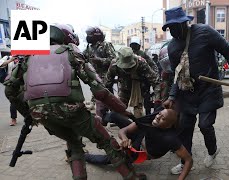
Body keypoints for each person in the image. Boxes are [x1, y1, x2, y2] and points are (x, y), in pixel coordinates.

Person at [4, 24, 146, 180]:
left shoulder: (29, 56)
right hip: (73, 112)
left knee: (73, 142)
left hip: (41, 114)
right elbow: (99, 91)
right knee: (106, 141)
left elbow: (9, 89)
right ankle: (131, 177)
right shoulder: (71, 53)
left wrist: (28, 114)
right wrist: (123, 110)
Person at [161, 7, 229, 174]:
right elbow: (177, 75)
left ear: (185, 23)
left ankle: (212, 150)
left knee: (205, 124)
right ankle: (186, 161)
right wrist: (172, 96)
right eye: (170, 28)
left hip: (208, 90)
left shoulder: (205, 32)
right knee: (185, 128)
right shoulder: (172, 48)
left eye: (176, 26)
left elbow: (228, 51)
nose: (173, 31)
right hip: (187, 93)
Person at [85, 108, 193, 180]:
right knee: (113, 115)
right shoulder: (152, 119)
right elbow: (123, 131)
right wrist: (125, 139)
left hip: (140, 152)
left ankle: (83, 156)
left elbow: (188, 160)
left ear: (169, 126)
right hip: (140, 136)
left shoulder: (170, 138)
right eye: (159, 114)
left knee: (111, 158)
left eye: (162, 118)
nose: (157, 117)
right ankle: (103, 119)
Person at [105, 47, 160, 118]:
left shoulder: (141, 63)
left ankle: (139, 123)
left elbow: (155, 81)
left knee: (138, 111)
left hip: (140, 87)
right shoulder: (114, 65)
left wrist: (157, 100)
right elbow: (107, 83)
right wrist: (110, 101)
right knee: (120, 107)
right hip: (124, 86)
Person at [83, 26, 116, 119]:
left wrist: (100, 60)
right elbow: (82, 57)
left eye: (89, 35)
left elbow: (114, 60)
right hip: (95, 77)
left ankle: (114, 117)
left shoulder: (105, 45)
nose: (88, 37)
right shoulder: (89, 48)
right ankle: (103, 118)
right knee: (100, 98)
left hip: (106, 76)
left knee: (108, 97)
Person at [130, 36, 159, 115]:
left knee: (146, 99)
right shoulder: (130, 54)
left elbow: (153, 65)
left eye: (135, 45)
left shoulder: (143, 54)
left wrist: (153, 76)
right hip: (135, 80)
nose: (134, 47)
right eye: (132, 45)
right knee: (137, 99)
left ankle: (148, 114)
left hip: (144, 80)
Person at [0, 55, 19, 126]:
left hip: (22, 81)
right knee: (13, 100)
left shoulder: (25, 57)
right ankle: (13, 119)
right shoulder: (7, 57)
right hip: (11, 82)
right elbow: (1, 64)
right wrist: (11, 60)